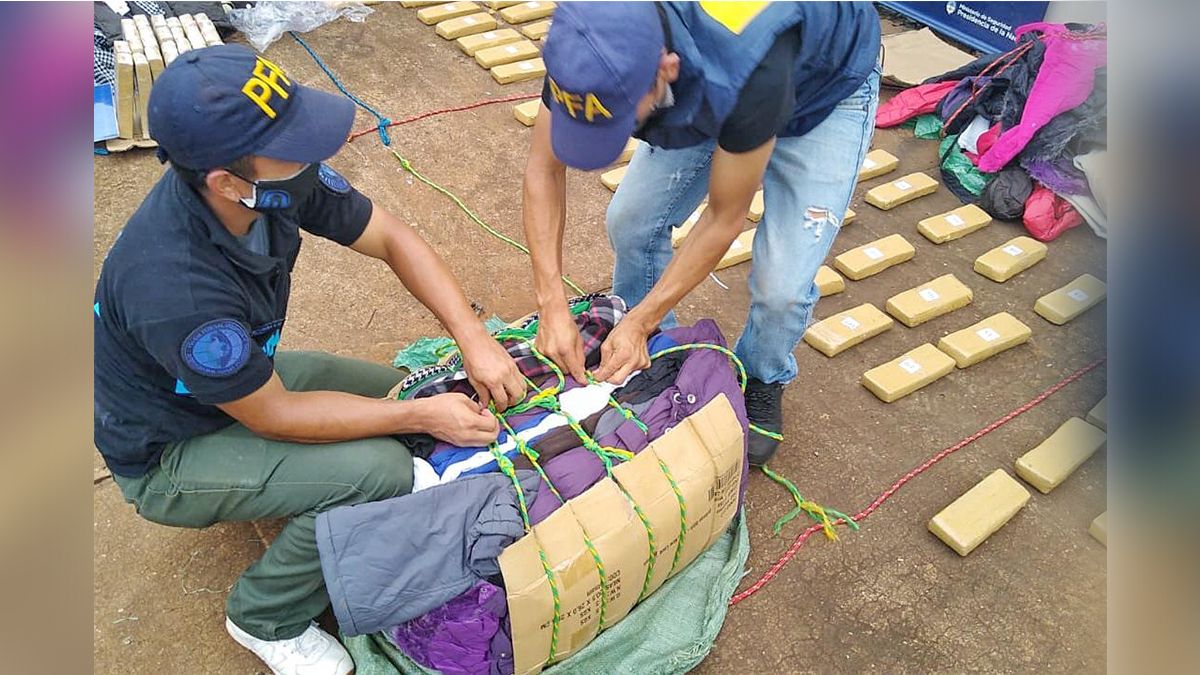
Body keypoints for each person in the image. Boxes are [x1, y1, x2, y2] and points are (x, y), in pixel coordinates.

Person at [93, 45, 527, 675]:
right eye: (290, 144)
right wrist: (423, 420)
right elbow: (272, 415)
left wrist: (473, 337)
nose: (313, 155)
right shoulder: (174, 287)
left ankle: (331, 485)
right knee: (382, 466)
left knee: (410, 396)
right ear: (225, 180)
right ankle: (263, 617)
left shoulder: (269, 183)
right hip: (170, 448)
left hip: (239, 390)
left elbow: (391, 237)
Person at [521, 2, 881, 466]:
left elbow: (724, 217)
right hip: (719, 78)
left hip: (821, 87)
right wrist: (550, 302)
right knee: (631, 221)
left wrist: (640, 321)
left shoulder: (749, 69)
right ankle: (651, 350)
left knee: (781, 290)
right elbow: (543, 168)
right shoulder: (589, 39)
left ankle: (761, 376)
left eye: (622, 122)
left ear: (665, 70)